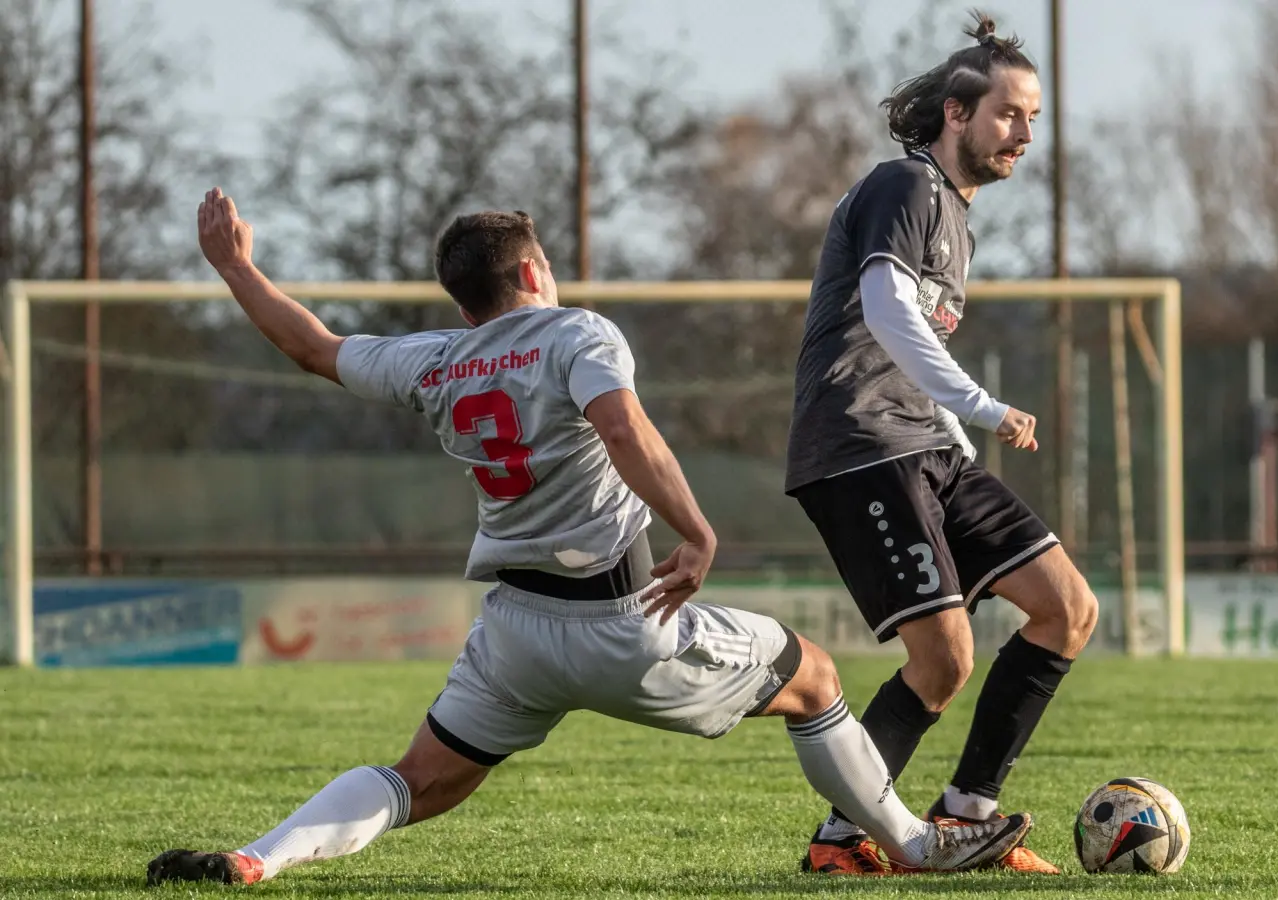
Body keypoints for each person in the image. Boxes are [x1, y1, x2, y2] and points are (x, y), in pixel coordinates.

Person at [146, 190, 1035, 886]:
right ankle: (913, 844)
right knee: (816, 678)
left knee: (419, 779)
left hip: (514, 637)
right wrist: (693, 528)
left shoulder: (436, 360)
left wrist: (236, 269)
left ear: (466, 302)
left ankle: (261, 857)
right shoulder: (579, 332)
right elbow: (623, 429)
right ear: (533, 272)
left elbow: (314, 345)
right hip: (621, 623)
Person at [785, 12, 1100, 876]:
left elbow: (912, 337)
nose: (1025, 134)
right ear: (956, 114)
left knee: (1067, 609)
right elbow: (887, 313)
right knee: (945, 656)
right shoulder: (906, 186)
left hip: (927, 445)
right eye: (1009, 114)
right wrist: (984, 405)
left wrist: (960, 432)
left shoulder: (956, 218)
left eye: (1034, 117)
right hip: (858, 446)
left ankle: (969, 815)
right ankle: (841, 841)